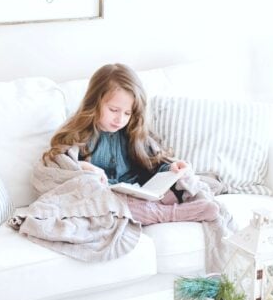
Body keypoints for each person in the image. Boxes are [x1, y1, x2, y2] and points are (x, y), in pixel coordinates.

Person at [43, 63, 219, 224]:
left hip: (138, 191)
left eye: (127, 113)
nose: (120, 119)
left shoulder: (131, 133)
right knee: (115, 206)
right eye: (113, 110)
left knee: (174, 188)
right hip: (107, 197)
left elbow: (152, 164)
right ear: (94, 102)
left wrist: (171, 169)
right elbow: (60, 168)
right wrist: (85, 167)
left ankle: (166, 206)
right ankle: (170, 214)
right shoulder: (79, 134)